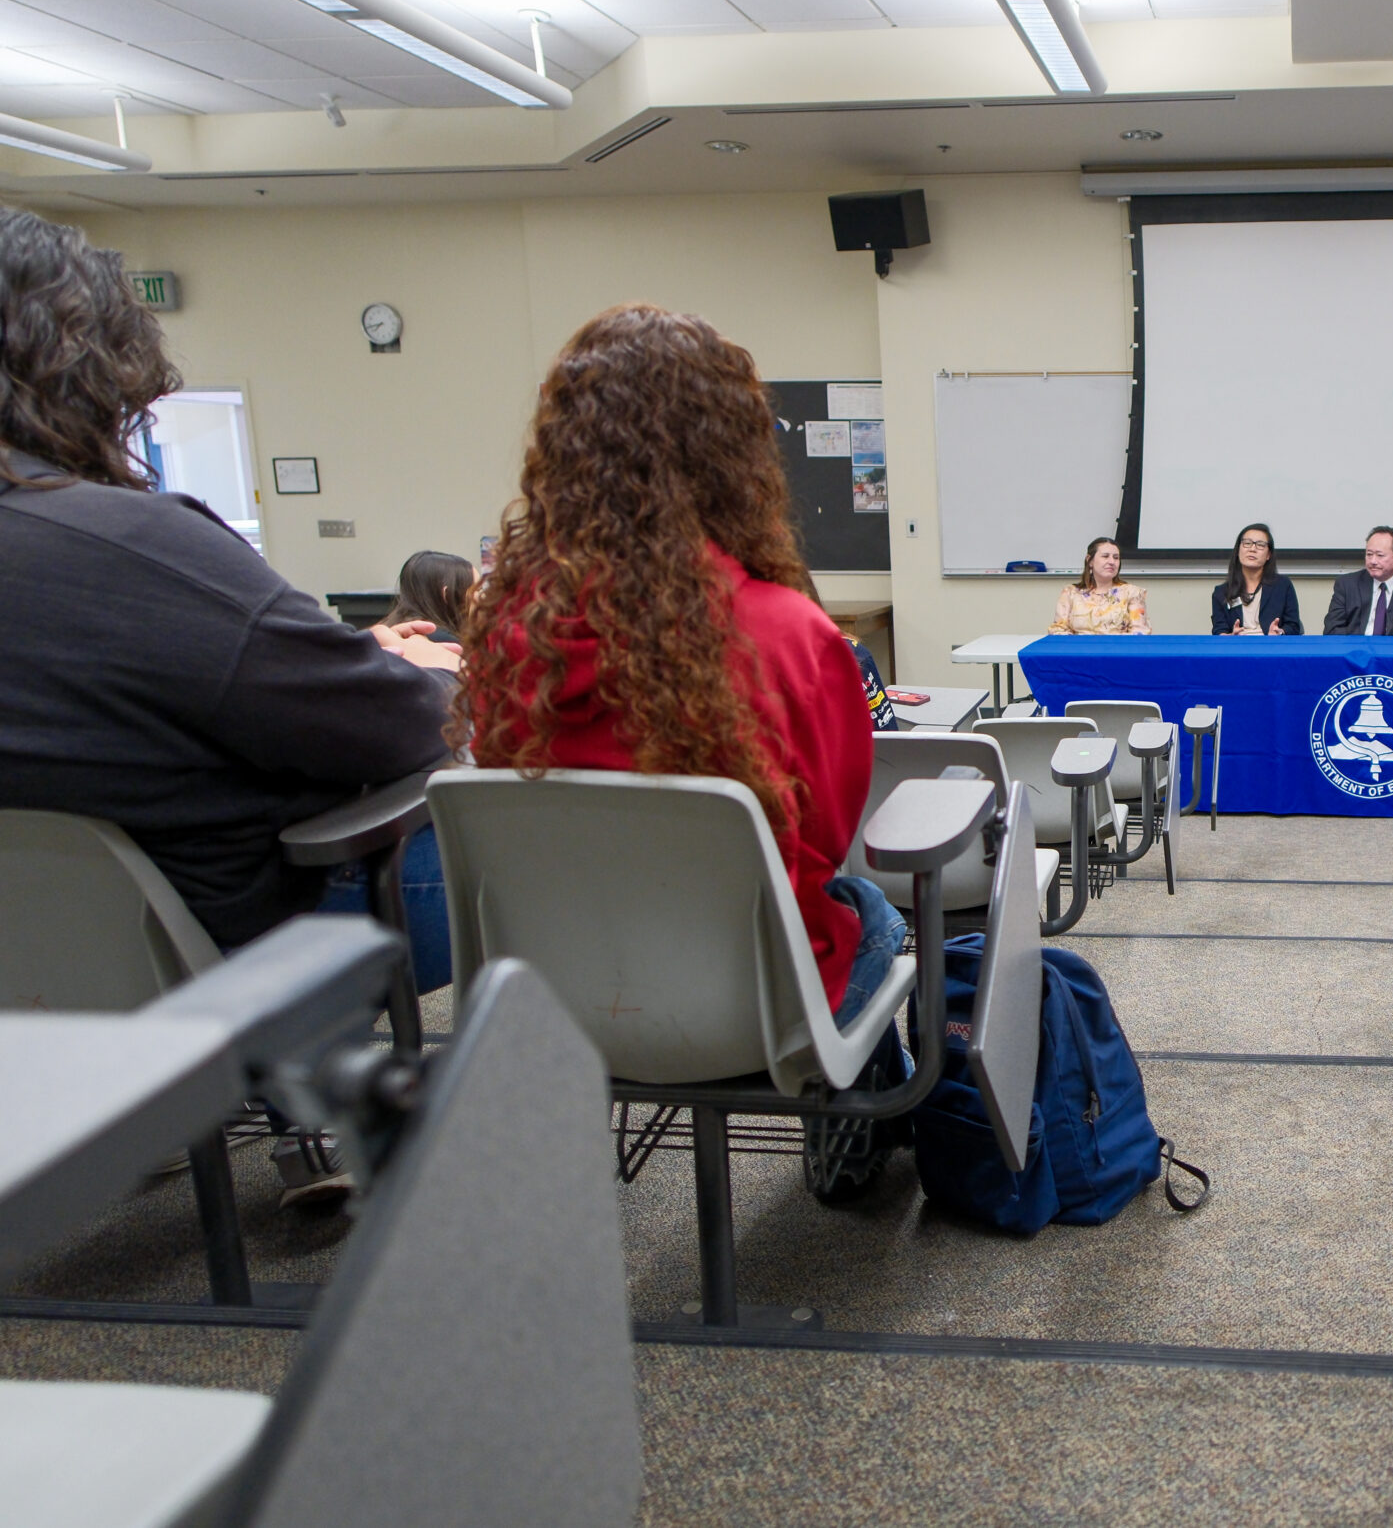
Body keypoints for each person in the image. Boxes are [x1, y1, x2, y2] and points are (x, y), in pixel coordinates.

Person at [0, 207, 459, 1205]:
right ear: (89, 360)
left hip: (38, 976)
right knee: (445, 811)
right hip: (212, 957)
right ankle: (318, 1104)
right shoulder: (136, 546)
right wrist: (376, 667)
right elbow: (399, 726)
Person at [460, 303, 905, 1202]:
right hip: (763, 1012)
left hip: (558, 1002)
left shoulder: (509, 634)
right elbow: (825, 835)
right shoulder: (789, 637)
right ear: (732, 455)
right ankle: (852, 1124)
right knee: (876, 912)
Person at [1322, 525, 1393, 635]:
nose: (1373, 561)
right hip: (1356, 650)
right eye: (1369, 554)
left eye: (1380, 555)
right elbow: (1332, 630)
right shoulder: (1347, 585)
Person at [1210, 522, 1302, 635]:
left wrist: (1280, 632)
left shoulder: (1282, 586)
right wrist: (1231, 637)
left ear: (1268, 555)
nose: (1252, 549)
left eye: (1260, 545)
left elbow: (1293, 626)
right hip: (1237, 649)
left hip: (1272, 647)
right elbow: (1219, 631)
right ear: (1238, 551)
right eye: (1247, 543)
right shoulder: (1222, 592)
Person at [1049, 537, 1149, 635]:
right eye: (1105, 556)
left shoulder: (1133, 593)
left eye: (1116, 558)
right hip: (1079, 650)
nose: (1112, 562)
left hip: (1118, 650)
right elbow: (1057, 630)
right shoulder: (1070, 593)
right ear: (1090, 560)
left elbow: (1140, 632)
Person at [390, 548, 475, 641]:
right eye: (478, 589)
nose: (482, 597)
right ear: (447, 594)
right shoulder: (447, 643)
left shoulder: (387, 632)